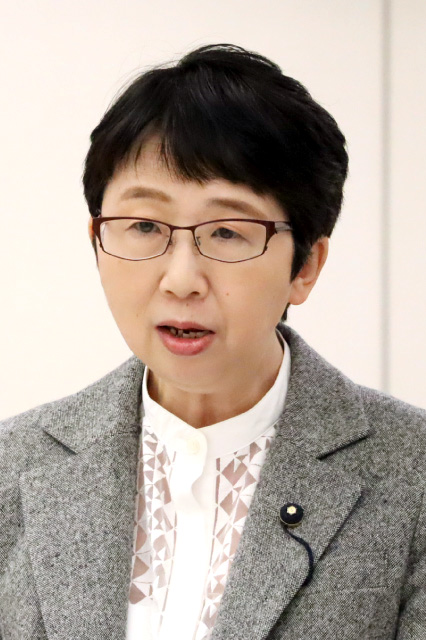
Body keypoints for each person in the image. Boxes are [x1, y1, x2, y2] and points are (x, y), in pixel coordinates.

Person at [0, 43, 425, 640]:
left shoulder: (413, 475)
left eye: (227, 231)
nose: (181, 280)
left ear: (305, 266)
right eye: (144, 225)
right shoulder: (13, 465)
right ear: (97, 241)